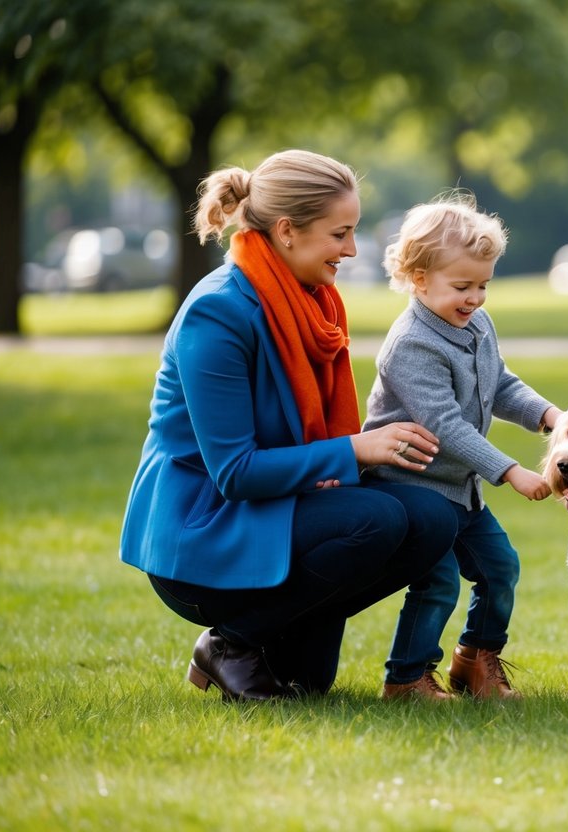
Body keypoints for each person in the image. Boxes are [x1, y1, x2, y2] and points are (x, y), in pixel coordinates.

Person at [120, 149, 458, 702]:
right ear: (286, 232)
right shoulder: (218, 312)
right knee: (377, 518)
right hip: (205, 534)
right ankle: (229, 642)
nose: (351, 249)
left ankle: (262, 636)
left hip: (279, 508)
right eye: (340, 233)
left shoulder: (314, 303)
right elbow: (235, 473)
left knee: (429, 518)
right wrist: (356, 450)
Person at [363, 192, 561, 702]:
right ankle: (405, 678)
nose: (474, 298)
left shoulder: (474, 323)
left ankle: (476, 661)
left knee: (500, 568)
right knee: (438, 583)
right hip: (413, 489)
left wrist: (549, 417)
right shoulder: (412, 343)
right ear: (419, 278)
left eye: (483, 285)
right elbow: (446, 425)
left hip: (458, 488)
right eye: (462, 286)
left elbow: (500, 385)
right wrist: (511, 470)